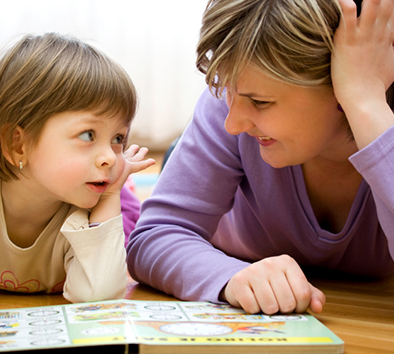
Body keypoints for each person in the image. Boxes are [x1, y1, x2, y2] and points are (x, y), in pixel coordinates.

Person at [127, 0, 394, 315]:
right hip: (219, 221)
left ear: (342, 86)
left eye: (260, 101)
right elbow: (154, 237)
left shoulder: (369, 104)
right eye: (228, 91)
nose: (234, 123)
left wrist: (366, 102)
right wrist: (230, 277)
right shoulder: (225, 113)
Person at [0, 32, 155, 325]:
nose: (109, 156)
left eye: (118, 138)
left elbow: (98, 297)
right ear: (18, 144)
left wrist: (111, 195)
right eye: (88, 134)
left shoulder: (84, 201)